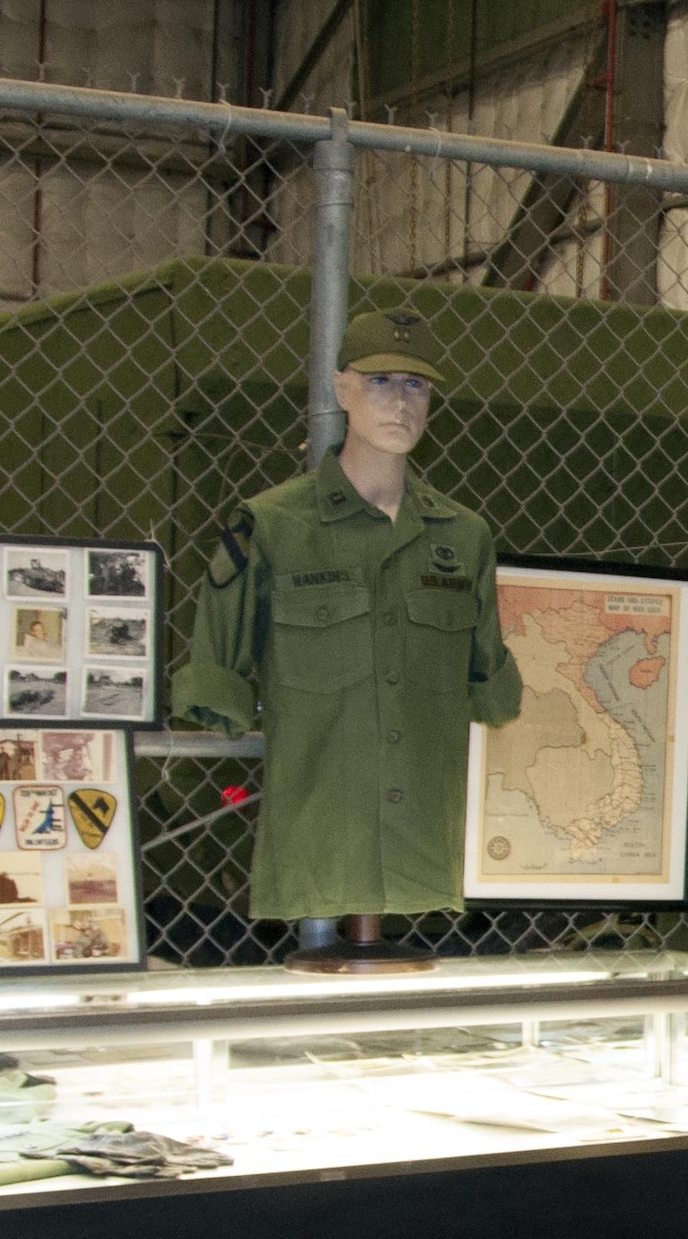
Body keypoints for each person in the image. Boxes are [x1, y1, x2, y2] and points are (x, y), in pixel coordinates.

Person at [172, 309, 523, 920]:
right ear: (341, 389)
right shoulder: (273, 527)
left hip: (424, 846)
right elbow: (216, 690)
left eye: (416, 385)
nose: (401, 403)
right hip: (318, 844)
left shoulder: (464, 538)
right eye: (380, 381)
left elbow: (492, 688)